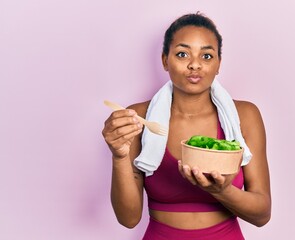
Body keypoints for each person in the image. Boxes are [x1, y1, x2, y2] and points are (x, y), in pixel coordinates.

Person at [102, 12, 271, 240]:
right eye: (182, 54)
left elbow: (262, 215)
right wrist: (119, 156)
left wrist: (222, 191)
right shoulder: (138, 117)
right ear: (165, 60)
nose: (194, 65)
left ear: (219, 64)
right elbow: (128, 219)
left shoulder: (245, 116)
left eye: (207, 56)